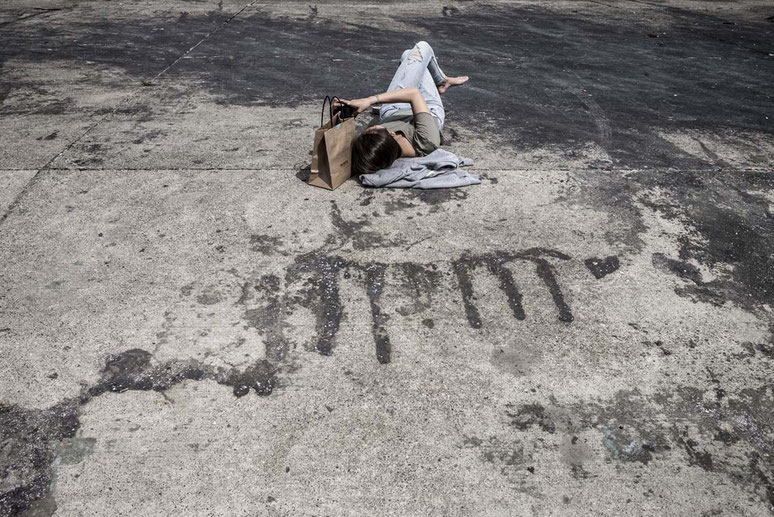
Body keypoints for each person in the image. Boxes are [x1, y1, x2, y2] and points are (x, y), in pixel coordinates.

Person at [340, 41, 468, 177]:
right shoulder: (426, 141)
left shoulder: (380, 150)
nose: (370, 127)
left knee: (409, 56)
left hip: (392, 110)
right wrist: (370, 100)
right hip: (427, 107)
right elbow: (413, 94)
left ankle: (442, 80)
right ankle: (442, 81)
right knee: (421, 49)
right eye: (373, 128)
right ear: (392, 133)